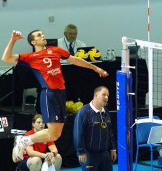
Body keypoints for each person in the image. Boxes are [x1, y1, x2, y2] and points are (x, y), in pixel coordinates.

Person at [2, 29, 109, 161]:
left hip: (61, 93)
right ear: (33, 42)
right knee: (52, 133)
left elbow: (75, 60)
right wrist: (13, 40)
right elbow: (6, 58)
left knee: (55, 135)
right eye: (39, 35)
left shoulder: (55, 50)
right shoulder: (30, 57)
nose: (43, 35)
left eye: (42, 33)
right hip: (49, 94)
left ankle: (24, 140)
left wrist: (95, 68)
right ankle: (23, 141)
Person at [73, 86, 117, 171]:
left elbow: (110, 132)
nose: (106, 98)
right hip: (89, 153)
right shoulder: (84, 112)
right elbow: (78, 133)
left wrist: (112, 148)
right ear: (96, 95)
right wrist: (81, 151)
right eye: (104, 95)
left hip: (104, 153)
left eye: (107, 95)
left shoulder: (106, 112)